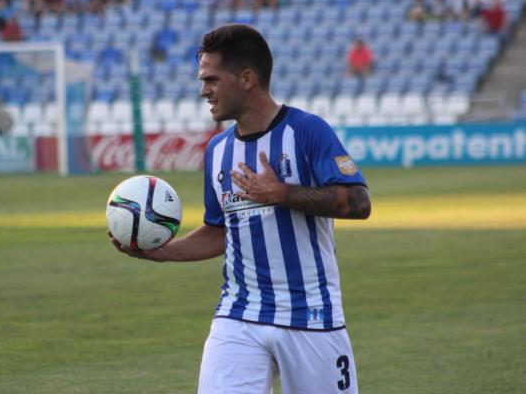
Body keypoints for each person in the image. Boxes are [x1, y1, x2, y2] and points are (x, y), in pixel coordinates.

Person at [110, 24, 371, 393]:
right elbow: (220, 231)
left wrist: (282, 193)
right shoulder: (217, 150)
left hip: (311, 314)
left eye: (212, 80)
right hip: (238, 315)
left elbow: (359, 202)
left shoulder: (307, 131)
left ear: (247, 79)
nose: (203, 90)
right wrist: (163, 252)